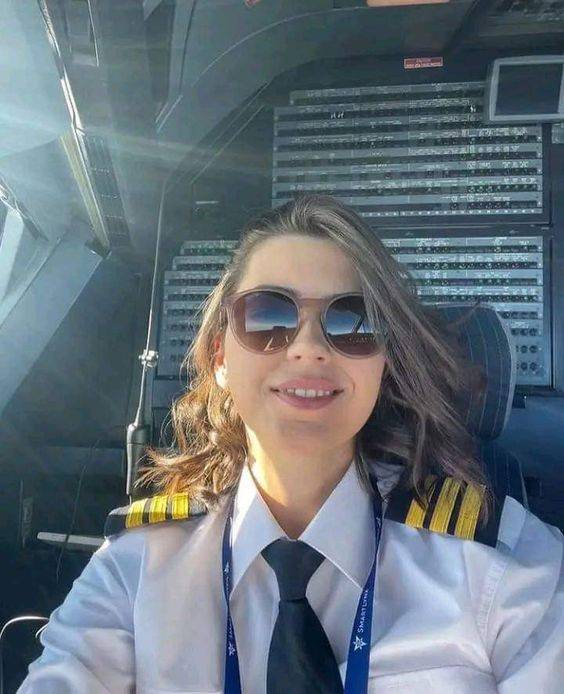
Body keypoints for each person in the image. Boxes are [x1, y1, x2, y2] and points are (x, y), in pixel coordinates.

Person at [18, 194, 564, 693]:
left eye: (353, 322)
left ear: (384, 362)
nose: (308, 348)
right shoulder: (135, 570)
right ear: (220, 357)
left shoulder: (504, 566)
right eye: (268, 315)